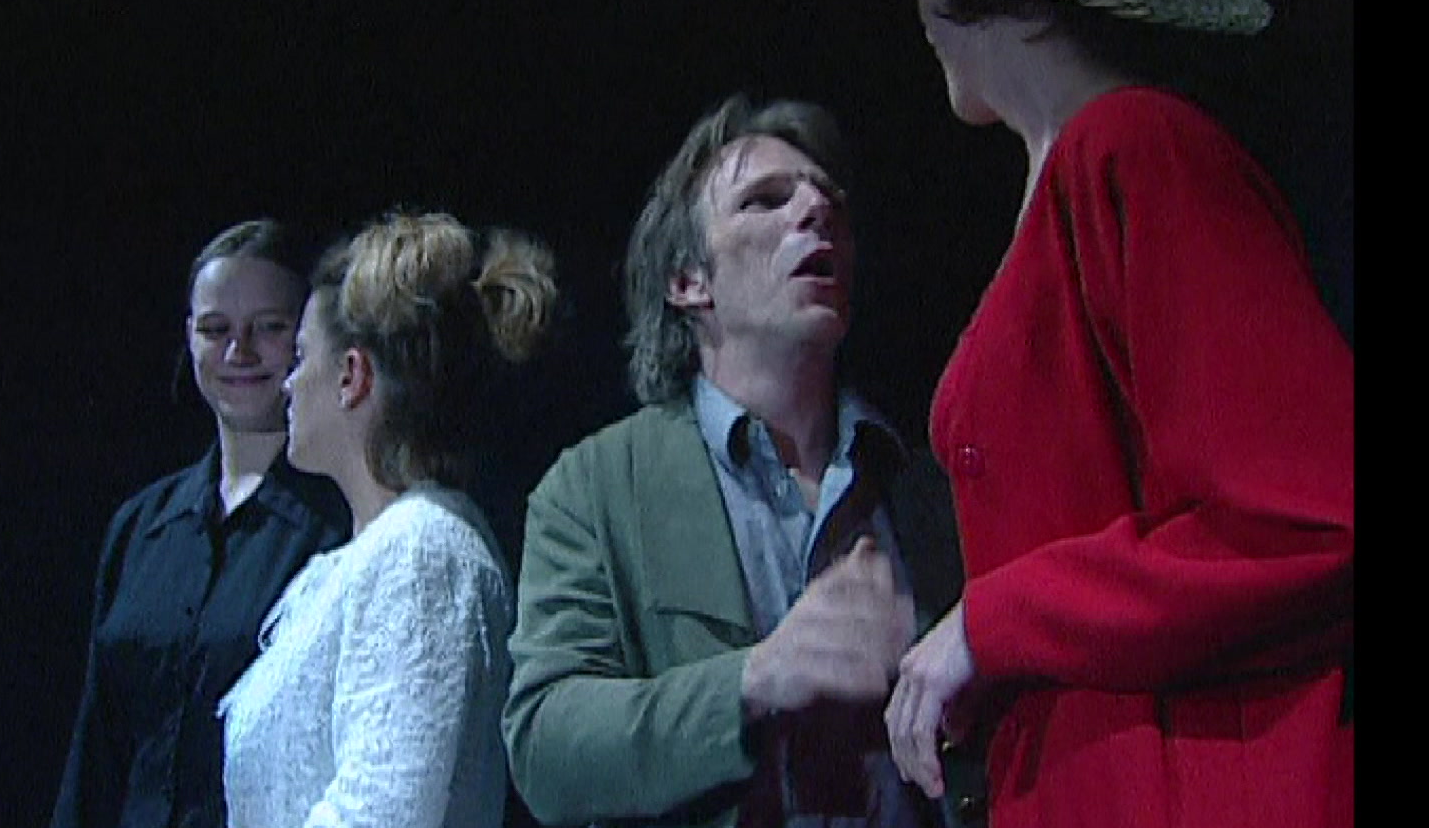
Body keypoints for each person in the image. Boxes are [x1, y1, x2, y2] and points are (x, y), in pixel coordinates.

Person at [782, 0, 1354, 828]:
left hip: (1182, 783)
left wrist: (994, 624)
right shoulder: (1063, 186)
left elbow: (1309, 515)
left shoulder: (1137, 151)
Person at [503, 94, 969, 828]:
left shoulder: (924, 485)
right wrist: (752, 680)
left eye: (829, 198)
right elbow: (545, 750)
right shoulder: (593, 488)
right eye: (766, 200)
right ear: (688, 281)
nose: (817, 210)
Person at [218, 210, 556, 828]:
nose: (288, 384)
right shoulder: (366, 559)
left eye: (301, 357)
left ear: (352, 376)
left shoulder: (421, 553)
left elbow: (380, 811)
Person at [52, 218, 355, 828]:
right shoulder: (141, 526)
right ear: (188, 336)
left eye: (268, 328)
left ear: (307, 338)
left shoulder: (340, 524)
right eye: (216, 330)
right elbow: (98, 754)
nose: (239, 351)